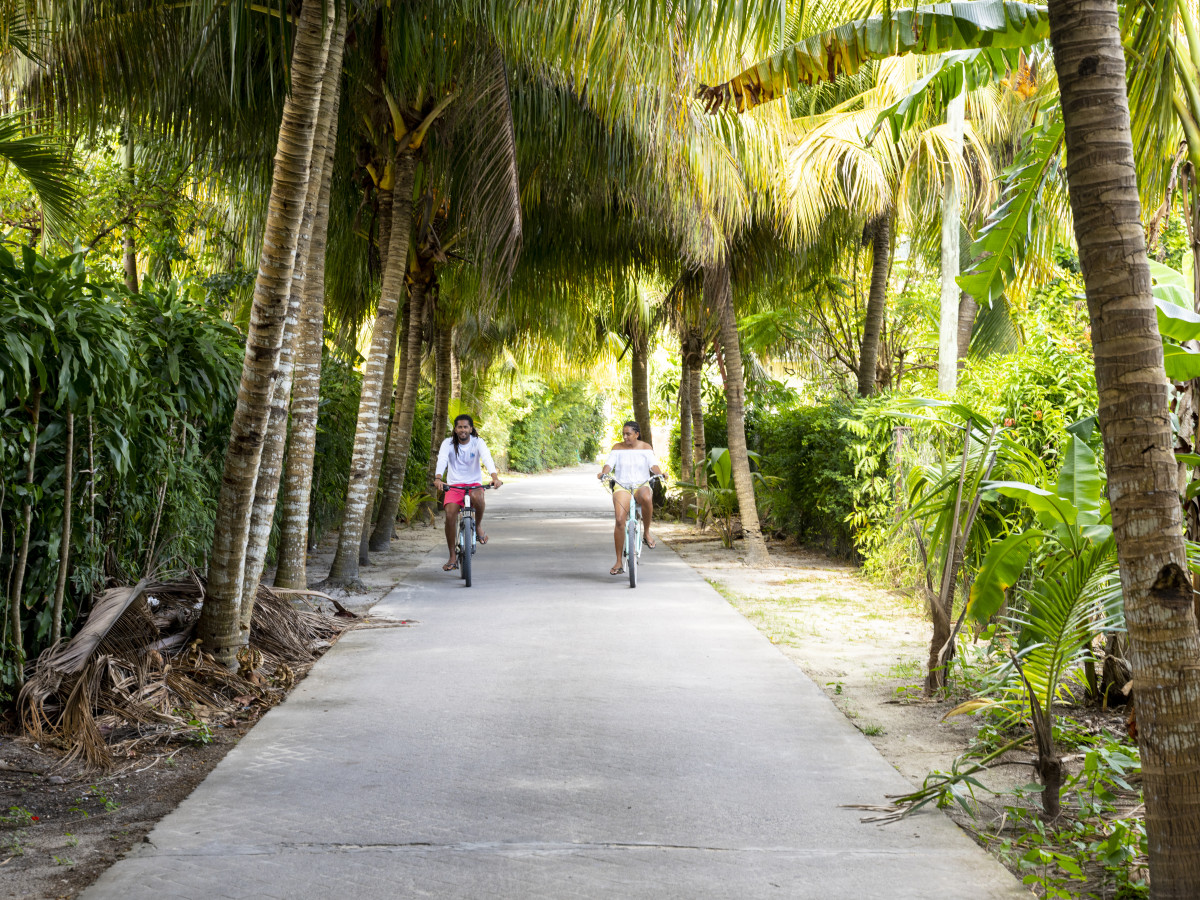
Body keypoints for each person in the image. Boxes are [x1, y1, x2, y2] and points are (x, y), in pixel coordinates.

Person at [433, 414, 502, 572]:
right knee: (450, 514)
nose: (463, 430)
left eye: (465, 427)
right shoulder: (448, 443)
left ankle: (477, 527)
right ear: (455, 429)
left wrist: (495, 478)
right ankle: (452, 557)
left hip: (474, 484)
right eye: (459, 427)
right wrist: (438, 478)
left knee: (478, 498)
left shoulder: (478, 442)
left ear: (471, 429)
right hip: (454, 486)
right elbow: (442, 460)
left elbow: (487, 458)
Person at [597, 420, 664, 575]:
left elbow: (653, 466)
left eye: (628, 434)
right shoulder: (617, 448)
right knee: (620, 520)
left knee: (647, 497)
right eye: (624, 434)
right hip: (622, 485)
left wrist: (660, 473)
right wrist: (604, 472)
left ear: (637, 434)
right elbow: (609, 465)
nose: (625, 437)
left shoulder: (646, 448)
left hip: (641, 485)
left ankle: (646, 533)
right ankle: (619, 561)